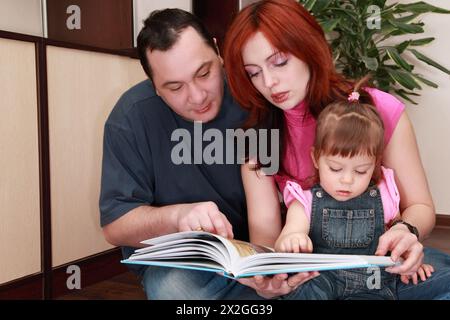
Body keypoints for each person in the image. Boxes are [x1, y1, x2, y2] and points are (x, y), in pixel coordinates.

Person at [223, 0, 450, 299]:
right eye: (253, 72)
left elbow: (420, 206)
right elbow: (266, 242)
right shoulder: (258, 141)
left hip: (381, 265)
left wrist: (405, 231)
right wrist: (270, 280)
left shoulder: (378, 109)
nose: (269, 82)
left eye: (279, 62)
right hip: (315, 276)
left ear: (308, 47)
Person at [99, 8, 313, 300]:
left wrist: (265, 267)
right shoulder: (131, 117)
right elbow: (115, 225)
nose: (198, 96)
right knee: (174, 290)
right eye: (175, 87)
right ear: (155, 86)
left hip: (255, 247)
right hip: (185, 264)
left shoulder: (253, 96)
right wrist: (178, 216)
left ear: (217, 51)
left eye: (204, 73)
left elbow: (267, 213)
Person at [274, 80, 434, 299]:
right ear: (316, 158)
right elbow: (290, 232)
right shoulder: (306, 201)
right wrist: (292, 238)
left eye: (360, 171)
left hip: (371, 280)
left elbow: (400, 239)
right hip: (322, 277)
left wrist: (409, 259)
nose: (347, 180)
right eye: (336, 168)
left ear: (376, 165)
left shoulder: (384, 197)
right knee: (304, 291)